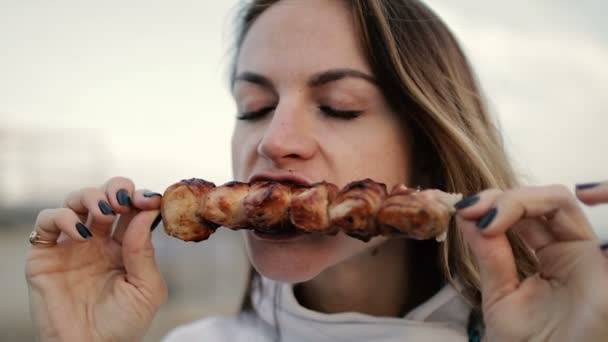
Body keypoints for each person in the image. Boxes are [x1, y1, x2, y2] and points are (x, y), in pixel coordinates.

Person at [25, 0, 608, 341]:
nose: (274, 141)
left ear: (427, 150)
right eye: (254, 108)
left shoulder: (543, 329)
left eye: (339, 107)